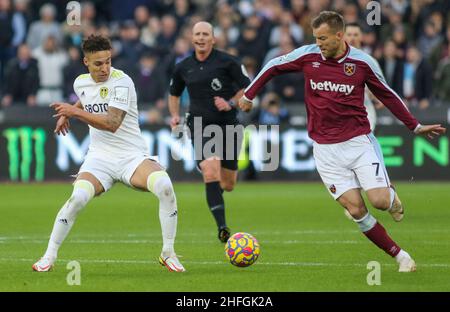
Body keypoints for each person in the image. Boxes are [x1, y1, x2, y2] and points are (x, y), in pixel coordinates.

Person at [239, 11, 446, 272]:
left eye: (323, 38)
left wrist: (414, 125)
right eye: (316, 38)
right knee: (356, 210)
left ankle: (392, 198)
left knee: (379, 202)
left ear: (339, 35)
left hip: (358, 143)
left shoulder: (362, 63)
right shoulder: (309, 55)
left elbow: (389, 95)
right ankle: (400, 256)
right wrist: (249, 94)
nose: (319, 43)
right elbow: (273, 66)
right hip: (324, 150)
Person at [32, 35, 185, 273]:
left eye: (108, 61)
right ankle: (48, 256)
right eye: (98, 64)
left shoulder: (122, 81)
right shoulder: (80, 83)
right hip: (99, 158)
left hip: (132, 157)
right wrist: (68, 114)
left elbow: (112, 123)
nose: (104, 68)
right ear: (86, 62)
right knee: (77, 199)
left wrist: (73, 112)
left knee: (164, 185)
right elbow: (87, 98)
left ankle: (168, 253)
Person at [168, 21, 250, 243]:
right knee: (210, 170)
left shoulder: (228, 62)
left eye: (206, 34)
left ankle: (217, 192)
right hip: (199, 125)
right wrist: (174, 115)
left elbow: (248, 88)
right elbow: (174, 93)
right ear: (191, 38)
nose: (201, 38)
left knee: (228, 184)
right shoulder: (183, 66)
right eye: (197, 34)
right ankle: (222, 227)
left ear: (213, 39)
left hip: (228, 126)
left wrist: (231, 103)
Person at [343, 22, 379, 132]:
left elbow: (380, 92)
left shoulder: (369, 62)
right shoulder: (333, 61)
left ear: (361, 37)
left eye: (355, 34)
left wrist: (377, 96)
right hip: (340, 115)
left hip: (363, 115)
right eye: (349, 34)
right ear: (343, 36)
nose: (352, 38)